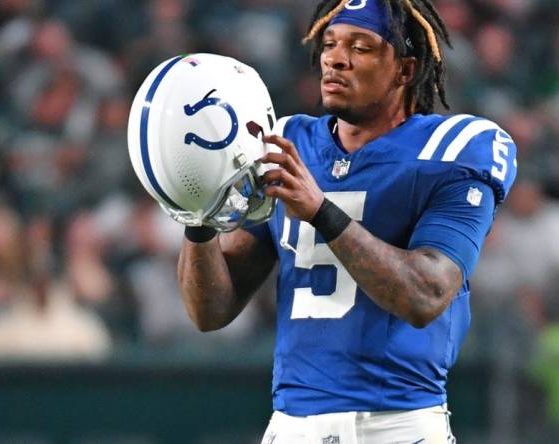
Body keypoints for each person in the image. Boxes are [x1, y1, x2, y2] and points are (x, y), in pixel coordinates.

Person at [176, 0, 517, 442]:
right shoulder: (288, 143)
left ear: (406, 70)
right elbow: (210, 311)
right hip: (291, 424)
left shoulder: (452, 150)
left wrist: (321, 211)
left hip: (397, 425)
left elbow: (425, 294)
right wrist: (195, 216)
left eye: (362, 47)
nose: (336, 58)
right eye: (331, 44)